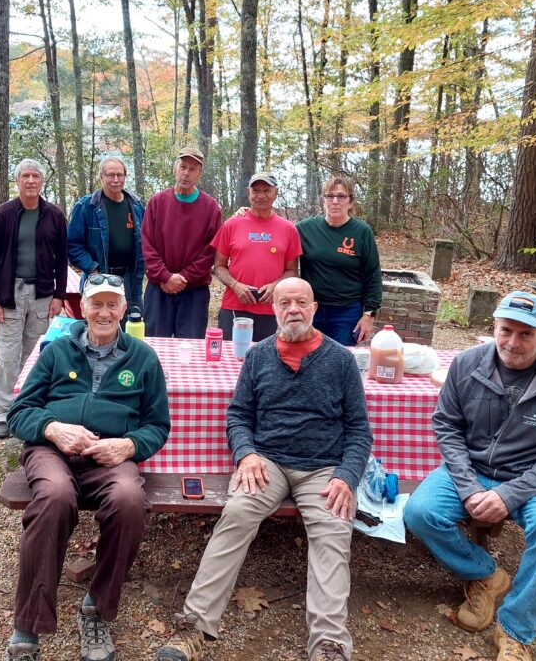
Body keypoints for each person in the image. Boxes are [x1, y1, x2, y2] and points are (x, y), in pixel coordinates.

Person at [156, 278, 373, 661]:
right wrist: (246, 454)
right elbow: (239, 415)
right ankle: (194, 626)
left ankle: (329, 643)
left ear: (314, 308)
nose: (293, 309)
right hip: (266, 462)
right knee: (236, 514)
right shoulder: (258, 356)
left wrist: (347, 476)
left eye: (301, 302)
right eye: (285, 302)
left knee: (334, 531)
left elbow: (358, 429)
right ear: (273, 309)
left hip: (323, 468)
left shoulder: (340, 359)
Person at [404, 291, 536, 661]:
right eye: (506, 330)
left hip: (534, 480)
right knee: (419, 511)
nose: (513, 342)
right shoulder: (466, 363)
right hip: (472, 469)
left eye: (526, 334)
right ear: (494, 327)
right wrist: (468, 486)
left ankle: (516, 630)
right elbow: (447, 426)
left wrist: (509, 495)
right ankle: (487, 575)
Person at [4, 274, 170, 661]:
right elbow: (19, 412)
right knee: (55, 496)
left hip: (109, 457)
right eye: (97, 303)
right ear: (83, 308)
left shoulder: (143, 358)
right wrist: (52, 428)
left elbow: (157, 425)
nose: (104, 312)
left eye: (113, 304)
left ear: (123, 310)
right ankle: (27, 623)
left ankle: (96, 608)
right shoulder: (56, 351)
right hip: (52, 451)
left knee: (129, 500)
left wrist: (129, 444)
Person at [0, 159, 68, 439]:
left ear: (41, 181)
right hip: (10, 293)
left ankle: (29, 409)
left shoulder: (54, 215)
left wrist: (59, 295)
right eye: (25, 176)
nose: (31, 181)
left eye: (35, 176)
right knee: (8, 356)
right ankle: (2, 413)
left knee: (35, 356)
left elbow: (62, 259)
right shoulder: (3, 215)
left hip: (43, 294)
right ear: (17, 180)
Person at [141, 147, 222, 338]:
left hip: (194, 291)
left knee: (191, 347)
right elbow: (147, 244)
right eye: (183, 167)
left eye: (192, 169)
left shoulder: (210, 208)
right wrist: (165, 276)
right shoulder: (157, 202)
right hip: (159, 287)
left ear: (199, 174)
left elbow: (210, 251)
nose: (186, 173)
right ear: (175, 169)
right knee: (155, 345)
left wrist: (183, 278)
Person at [211, 172, 301, 341]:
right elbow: (219, 266)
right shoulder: (231, 224)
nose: (261, 196)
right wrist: (235, 285)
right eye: (256, 190)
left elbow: (291, 270)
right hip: (234, 306)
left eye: (267, 190)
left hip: (269, 308)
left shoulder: (288, 229)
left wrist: (276, 286)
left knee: (262, 362)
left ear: (276, 193)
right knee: (230, 359)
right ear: (248, 193)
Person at [296, 175, 382, 346]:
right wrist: (248, 214)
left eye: (341, 196)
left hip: (347, 313)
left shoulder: (362, 232)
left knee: (342, 361)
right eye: (330, 196)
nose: (335, 201)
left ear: (350, 202)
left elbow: (373, 275)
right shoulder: (304, 229)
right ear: (324, 200)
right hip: (311, 310)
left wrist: (368, 315)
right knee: (308, 360)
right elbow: (276, 234)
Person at [67, 156, 145, 321]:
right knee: (99, 326)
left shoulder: (136, 206)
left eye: (119, 175)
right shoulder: (86, 207)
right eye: (110, 175)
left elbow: (146, 242)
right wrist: (94, 269)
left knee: (130, 329)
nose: (115, 179)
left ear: (125, 176)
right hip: (99, 278)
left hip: (130, 280)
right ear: (101, 177)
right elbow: (72, 245)